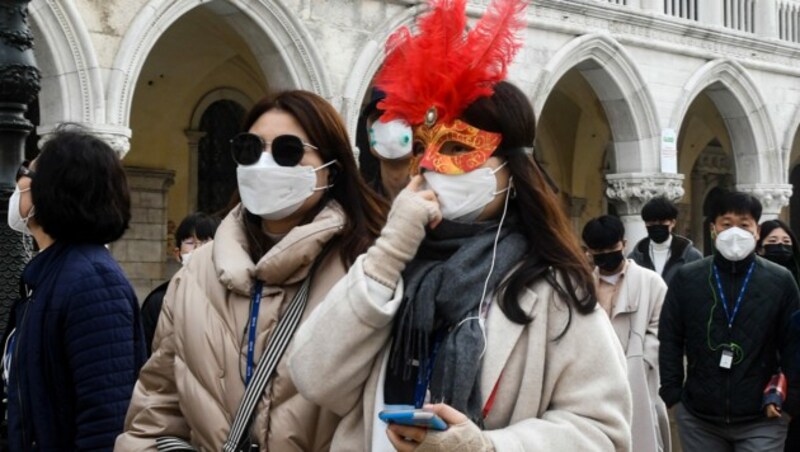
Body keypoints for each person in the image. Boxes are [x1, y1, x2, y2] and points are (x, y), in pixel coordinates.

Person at [289, 1, 632, 449]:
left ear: (511, 170)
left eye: (454, 149)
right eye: (422, 148)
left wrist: (487, 448)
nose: (430, 166)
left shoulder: (555, 292)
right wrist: (391, 250)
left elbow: (602, 432)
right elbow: (314, 379)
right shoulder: (390, 270)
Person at [116, 90, 388, 450]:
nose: (264, 164)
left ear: (331, 171)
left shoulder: (366, 272)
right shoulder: (197, 273)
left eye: (287, 151)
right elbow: (155, 411)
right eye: (250, 148)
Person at [2, 128, 146, 450]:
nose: (19, 182)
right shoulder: (49, 274)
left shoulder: (93, 281)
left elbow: (104, 420)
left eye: (27, 172)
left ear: (54, 190)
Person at [659, 191, 800, 452]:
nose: (735, 232)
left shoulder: (780, 281)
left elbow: (794, 344)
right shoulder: (688, 278)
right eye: (726, 224)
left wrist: (792, 402)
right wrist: (672, 394)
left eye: (744, 224)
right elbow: (670, 336)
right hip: (699, 417)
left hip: (764, 416)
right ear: (713, 229)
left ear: (757, 231)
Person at [583, 215, 670, 452]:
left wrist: (639, 359)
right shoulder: (582, 286)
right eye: (598, 251)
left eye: (612, 248)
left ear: (624, 244)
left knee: (641, 436)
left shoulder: (652, 282)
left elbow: (661, 330)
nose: (606, 255)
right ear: (588, 251)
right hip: (593, 379)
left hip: (637, 379)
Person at [140, 212, 220, 355]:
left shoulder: (231, 299)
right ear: (177, 254)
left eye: (207, 243)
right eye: (190, 243)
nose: (199, 249)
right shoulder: (158, 302)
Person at [756, 219, 800, 452]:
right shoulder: (751, 285)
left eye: (786, 242)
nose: (780, 247)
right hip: (759, 379)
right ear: (759, 247)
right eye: (772, 241)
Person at [628, 196, 703, 285]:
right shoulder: (635, 258)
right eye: (652, 223)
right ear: (645, 224)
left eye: (662, 222)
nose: (657, 226)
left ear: (673, 223)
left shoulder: (691, 256)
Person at [355, 87, 413, 201]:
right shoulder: (359, 204)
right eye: (380, 115)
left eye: (401, 114)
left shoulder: (443, 203)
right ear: (367, 129)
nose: (390, 126)